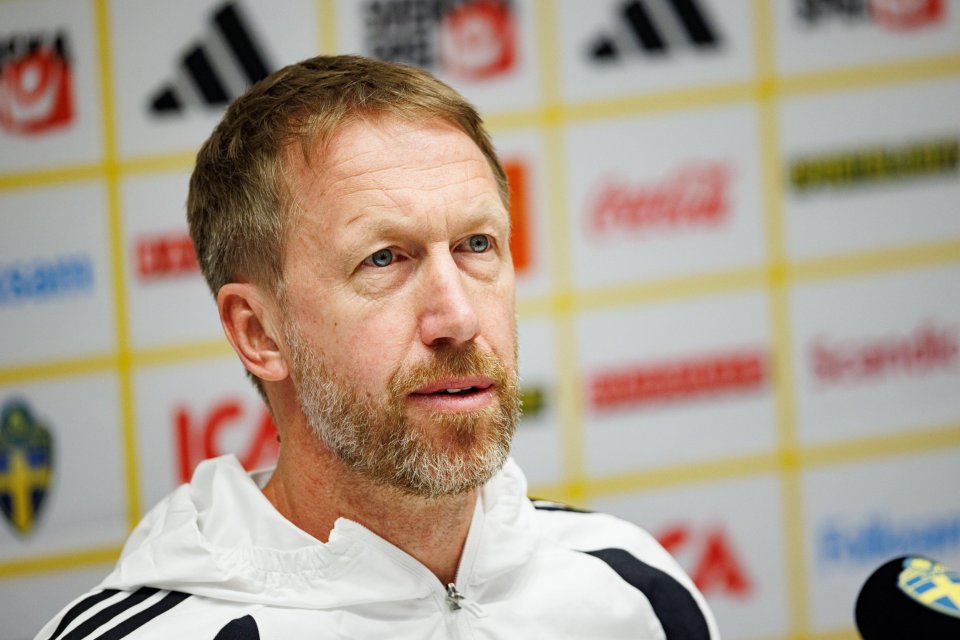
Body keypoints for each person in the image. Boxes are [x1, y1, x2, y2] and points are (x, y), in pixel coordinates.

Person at [36, 55, 719, 639]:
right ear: (258, 332)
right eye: (386, 258)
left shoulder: (635, 593)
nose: (457, 318)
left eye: (476, 245)